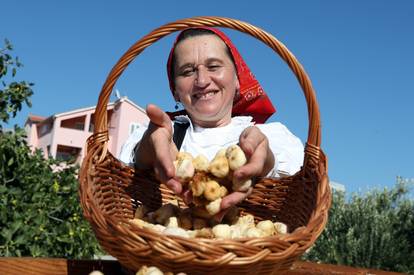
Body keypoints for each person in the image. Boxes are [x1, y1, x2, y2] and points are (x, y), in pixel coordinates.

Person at [119, 27, 304, 219]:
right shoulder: (164, 132)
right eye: (187, 71)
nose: (202, 80)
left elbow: (297, 186)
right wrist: (150, 146)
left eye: (214, 66)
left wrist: (265, 160)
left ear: (238, 80)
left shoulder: (268, 135)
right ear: (175, 91)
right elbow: (130, 169)